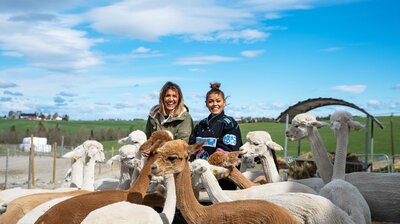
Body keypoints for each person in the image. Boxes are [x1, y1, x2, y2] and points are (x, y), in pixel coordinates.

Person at [189, 82, 242, 190]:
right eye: (211, 101)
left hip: (223, 179)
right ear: (206, 103)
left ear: (224, 103)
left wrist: (208, 167)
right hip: (200, 177)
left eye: (218, 101)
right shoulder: (200, 125)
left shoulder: (229, 124)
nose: (215, 104)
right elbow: (191, 148)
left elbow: (228, 152)